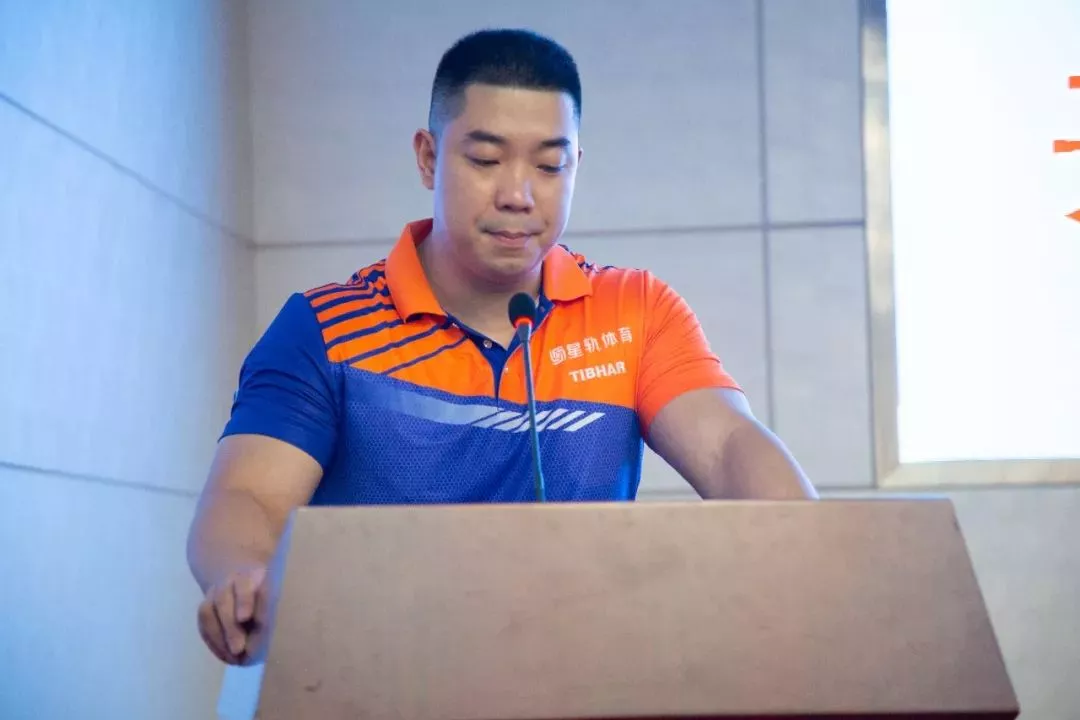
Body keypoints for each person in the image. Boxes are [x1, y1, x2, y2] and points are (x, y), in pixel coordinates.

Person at [187, 28, 817, 665]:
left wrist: (814, 551)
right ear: (428, 158)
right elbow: (248, 497)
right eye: (486, 160)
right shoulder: (325, 327)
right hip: (377, 678)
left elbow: (729, 445)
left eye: (549, 166)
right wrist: (244, 575)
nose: (518, 195)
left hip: (585, 679)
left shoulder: (636, 311)